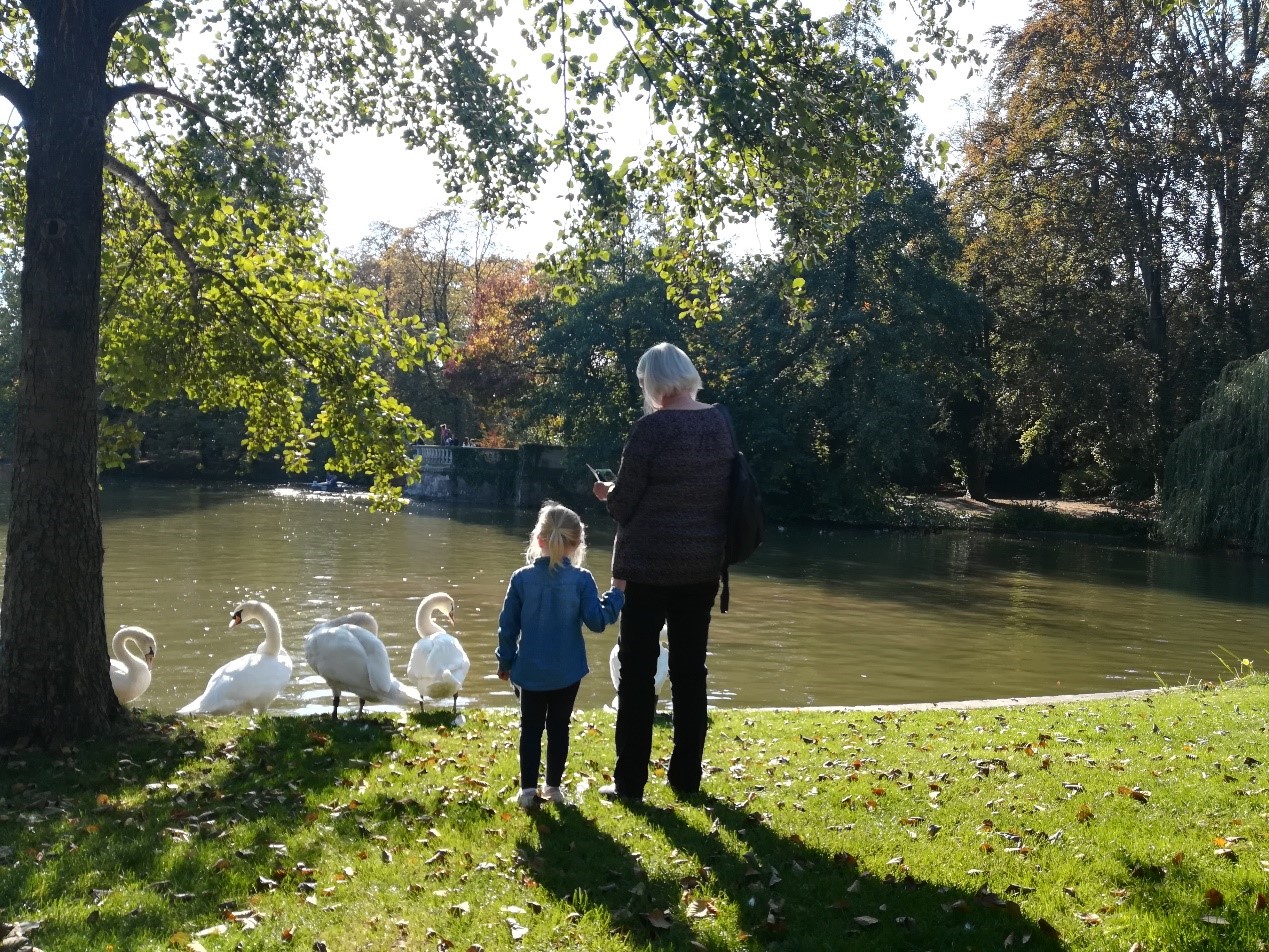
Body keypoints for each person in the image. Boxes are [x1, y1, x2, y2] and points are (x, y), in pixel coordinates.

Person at [592, 342, 732, 802]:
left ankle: (630, 783)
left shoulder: (650, 429)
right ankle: (686, 778)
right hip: (702, 566)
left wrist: (608, 492)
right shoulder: (720, 422)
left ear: (652, 382)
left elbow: (623, 505)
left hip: (647, 567)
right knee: (691, 671)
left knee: (637, 674)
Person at [496, 501, 625, 807]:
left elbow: (508, 627)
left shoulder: (521, 579)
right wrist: (617, 594)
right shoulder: (582, 580)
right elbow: (597, 621)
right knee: (558, 727)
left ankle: (528, 792)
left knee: (530, 728)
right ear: (577, 544)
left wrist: (505, 662)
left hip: (529, 670)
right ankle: (553, 788)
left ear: (538, 539)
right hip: (567, 670)